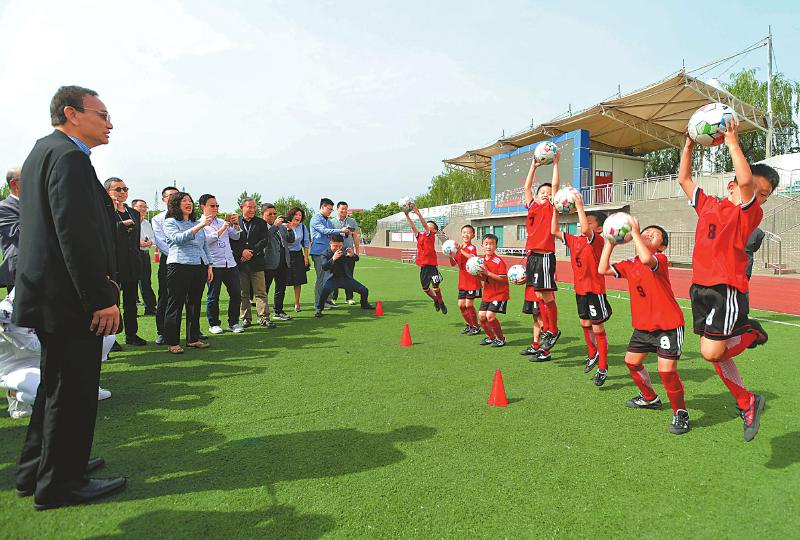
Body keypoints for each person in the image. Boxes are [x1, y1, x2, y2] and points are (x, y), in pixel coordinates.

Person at [14, 85, 126, 510]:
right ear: (71, 113)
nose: (109, 123)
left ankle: (37, 470)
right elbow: (75, 235)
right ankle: (61, 483)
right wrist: (100, 297)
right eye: (102, 114)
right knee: (73, 391)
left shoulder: (44, 151)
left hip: (50, 297)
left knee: (56, 387)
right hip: (70, 299)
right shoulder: (70, 157)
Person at [678, 119, 780, 442]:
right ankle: (748, 402)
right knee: (716, 354)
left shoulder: (750, 214)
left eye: (764, 195)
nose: (758, 197)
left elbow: (747, 181)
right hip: (700, 290)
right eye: (753, 189)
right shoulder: (708, 205)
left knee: (710, 353)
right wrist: (689, 146)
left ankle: (749, 331)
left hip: (727, 290)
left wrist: (733, 142)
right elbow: (683, 179)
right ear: (730, 185)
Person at [598, 220, 689, 435]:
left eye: (654, 235)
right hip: (643, 327)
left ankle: (681, 413)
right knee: (631, 362)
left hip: (668, 325)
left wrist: (637, 233)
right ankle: (650, 398)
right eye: (646, 231)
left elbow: (647, 258)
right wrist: (610, 242)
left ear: (662, 246)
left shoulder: (660, 259)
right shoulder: (630, 264)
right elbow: (602, 268)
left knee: (666, 372)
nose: (648, 235)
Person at [1, 291, 115, 419]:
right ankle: (14, 393)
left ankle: (87, 384)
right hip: (17, 367)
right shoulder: (5, 313)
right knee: (51, 395)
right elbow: (32, 346)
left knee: (106, 337)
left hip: (50, 357)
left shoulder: (50, 298)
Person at [551, 193, 612, 382]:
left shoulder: (598, 241)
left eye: (590, 222)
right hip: (580, 290)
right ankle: (592, 353)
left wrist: (579, 205)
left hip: (595, 290)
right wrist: (555, 209)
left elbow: (586, 229)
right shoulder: (574, 240)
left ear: (599, 228)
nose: (583, 223)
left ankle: (602, 367)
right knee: (585, 324)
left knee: (598, 328)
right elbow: (554, 230)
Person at [163, 192, 213, 353]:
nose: (188, 203)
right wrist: (200, 225)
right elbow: (178, 239)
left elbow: (204, 245)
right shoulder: (170, 222)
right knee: (175, 304)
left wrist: (209, 265)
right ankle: (172, 342)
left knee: (194, 303)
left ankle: (193, 338)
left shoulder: (197, 222)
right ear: (175, 205)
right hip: (179, 266)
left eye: (190, 200)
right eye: (184, 201)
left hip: (199, 266)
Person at [522, 152, 560, 352]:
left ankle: (553, 329)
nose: (545, 194)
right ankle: (547, 330)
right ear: (537, 196)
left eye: (548, 192)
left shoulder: (551, 207)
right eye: (542, 192)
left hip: (545, 256)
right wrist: (533, 166)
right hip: (533, 257)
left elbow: (555, 187)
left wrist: (555, 164)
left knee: (547, 297)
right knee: (538, 295)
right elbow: (527, 187)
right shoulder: (532, 206)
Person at [105, 177, 146, 347]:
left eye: (125, 189)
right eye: (117, 189)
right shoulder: (103, 211)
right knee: (112, 302)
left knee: (131, 302)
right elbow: (105, 235)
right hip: (112, 263)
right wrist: (121, 225)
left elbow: (135, 238)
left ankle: (132, 334)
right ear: (108, 192)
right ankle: (110, 339)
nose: (122, 192)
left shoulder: (134, 212)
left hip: (131, 263)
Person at [200, 194, 244, 335]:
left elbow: (235, 236)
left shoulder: (220, 221)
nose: (215, 208)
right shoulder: (200, 223)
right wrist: (224, 227)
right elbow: (207, 241)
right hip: (213, 264)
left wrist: (236, 225)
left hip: (230, 263)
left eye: (217, 205)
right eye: (212, 206)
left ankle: (234, 322)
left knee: (236, 293)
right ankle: (214, 324)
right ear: (203, 207)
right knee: (213, 295)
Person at [231, 197, 272, 328]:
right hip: (240, 263)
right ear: (242, 207)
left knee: (260, 291)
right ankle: (245, 318)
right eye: (249, 207)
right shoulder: (235, 222)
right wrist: (242, 252)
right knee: (243, 292)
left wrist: (251, 252)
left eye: (254, 207)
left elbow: (264, 240)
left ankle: (264, 317)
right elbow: (231, 241)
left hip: (257, 262)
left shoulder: (261, 223)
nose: (252, 210)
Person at [402, 203, 446, 314]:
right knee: (426, 289)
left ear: (434, 230)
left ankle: (441, 302)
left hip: (432, 266)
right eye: (428, 224)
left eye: (430, 225)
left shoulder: (430, 235)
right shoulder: (420, 236)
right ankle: (435, 299)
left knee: (436, 287)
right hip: (423, 267)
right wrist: (406, 215)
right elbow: (412, 226)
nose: (427, 225)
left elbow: (425, 226)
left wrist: (418, 213)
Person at [315, 234, 373, 317]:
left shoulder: (344, 250)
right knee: (324, 293)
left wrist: (353, 255)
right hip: (332, 279)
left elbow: (356, 259)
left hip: (345, 278)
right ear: (330, 243)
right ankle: (319, 309)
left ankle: (364, 304)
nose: (338, 248)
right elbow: (324, 267)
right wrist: (333, 259)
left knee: (364, 290)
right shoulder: (325, 254)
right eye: (335, 246)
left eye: (340, 246)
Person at [309, 198, 351, 309]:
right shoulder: (315, 219)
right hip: (319, 252)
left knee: (331, 276)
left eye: (332, 210)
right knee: (321, 277)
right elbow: (324, 231)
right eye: (329, 209)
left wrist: (345, 233)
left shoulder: (328, 220)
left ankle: (328, 300)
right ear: (322, 207)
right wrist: (341, 230)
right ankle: (319, 302)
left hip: (329, 252)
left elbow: (335, 235)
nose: (330, 211)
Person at [151, 186, 180, 345]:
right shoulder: (158, 219)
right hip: (169, 260)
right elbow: (160, 241)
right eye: (170, 196)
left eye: (177, 195)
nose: (174, 198)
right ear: (164, 199)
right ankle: (162, 331)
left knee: (188, 297)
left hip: (188, 261)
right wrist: (177, 253)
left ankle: (193, 331)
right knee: (165, 296)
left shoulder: (187, 217)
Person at [261, 203, 295, 321]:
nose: (272, 216)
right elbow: (266, 238)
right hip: (269, 262)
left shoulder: (281, 227)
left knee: (281, 288)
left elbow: (291, 240)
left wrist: (290, 229)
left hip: (283, 261)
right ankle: (263, 315)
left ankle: (278, 311)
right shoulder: (261, 226)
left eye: (274, 213)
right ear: (262, 214)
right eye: (269, 214)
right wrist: (275, 225)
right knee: (264, 290)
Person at [476, 234, 509, 347]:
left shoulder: (498, 261)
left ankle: (501, 339)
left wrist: (487, 273)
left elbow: (503, 279)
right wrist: (477, 274)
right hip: (488, 293)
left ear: (496, 246)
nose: (489, 247)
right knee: (481, 316)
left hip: (500, 293)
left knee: (490, 316)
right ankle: (491, 337)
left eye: (491, 244)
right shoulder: (480, 261)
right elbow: (484, 279)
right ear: (482, 246)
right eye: (486, 244)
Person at [448, 224, 481, 335]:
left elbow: (473, 258)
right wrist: (450, 254)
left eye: (468, 232)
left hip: (472, 281)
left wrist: (460, 250)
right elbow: (453, 264)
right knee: (461, 305)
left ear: (473, 235)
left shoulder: (471, 248)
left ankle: (476, 327)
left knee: (469, 305)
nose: (466, 234)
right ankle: (469, 324)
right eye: (464, 232)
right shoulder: (458, 249)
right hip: (462, 281)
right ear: (461, 234)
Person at [329, 201, 361, 305]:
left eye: (346, 209)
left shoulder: (352, 221)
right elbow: (329, 237)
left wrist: (357, 251)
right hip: (337, 253)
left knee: (349, 276)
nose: (344, 211)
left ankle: (349, 298)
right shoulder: (332, 222)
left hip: (349, 253)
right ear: (337, 209)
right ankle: (334, 297)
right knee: (334, 275)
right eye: (342, 209)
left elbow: (355, 237)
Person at [131, 199, 157, 316]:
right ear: (133, 208)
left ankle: (150, 307)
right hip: (132, 255)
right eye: (140, 206)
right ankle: (132, 310)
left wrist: (149, 243)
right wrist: (137, 243)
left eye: (145, 207)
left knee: (146, 282)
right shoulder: (129, 222)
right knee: (131, 282)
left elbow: (153, 238)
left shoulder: (147, 223)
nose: (143, 209)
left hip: (145, 255)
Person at [0, 167, 21, 293]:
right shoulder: (3, 208)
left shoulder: (32, 204)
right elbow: (18, 233)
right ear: (13, 183)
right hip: (17, 272)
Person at [285, 207, 310, 312]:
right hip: (286, 255)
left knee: (298, 281)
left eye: (300, 215)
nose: (298, 217)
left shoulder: (303, 227)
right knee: (283, 280)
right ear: (291, 215)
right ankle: (279, 305)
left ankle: (297, 303)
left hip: (298, 255)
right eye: (296, 215)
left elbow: (306, 242)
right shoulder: (285, 225)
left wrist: (306, 257)